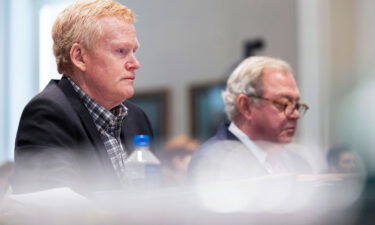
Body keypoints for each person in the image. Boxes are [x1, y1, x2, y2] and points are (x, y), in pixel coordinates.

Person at [11, 0, 153, 194]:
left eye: (133, 51)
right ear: (79, 57)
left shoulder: (137, 118)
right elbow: (50, 211)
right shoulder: (47, 114)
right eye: (121, 51)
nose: (135, 64)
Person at [188, 56, 311, 183]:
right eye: (283, 103)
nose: (295, 115)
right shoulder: (214, 161)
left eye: (296, 105)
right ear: (246, 106)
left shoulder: (298, 164)